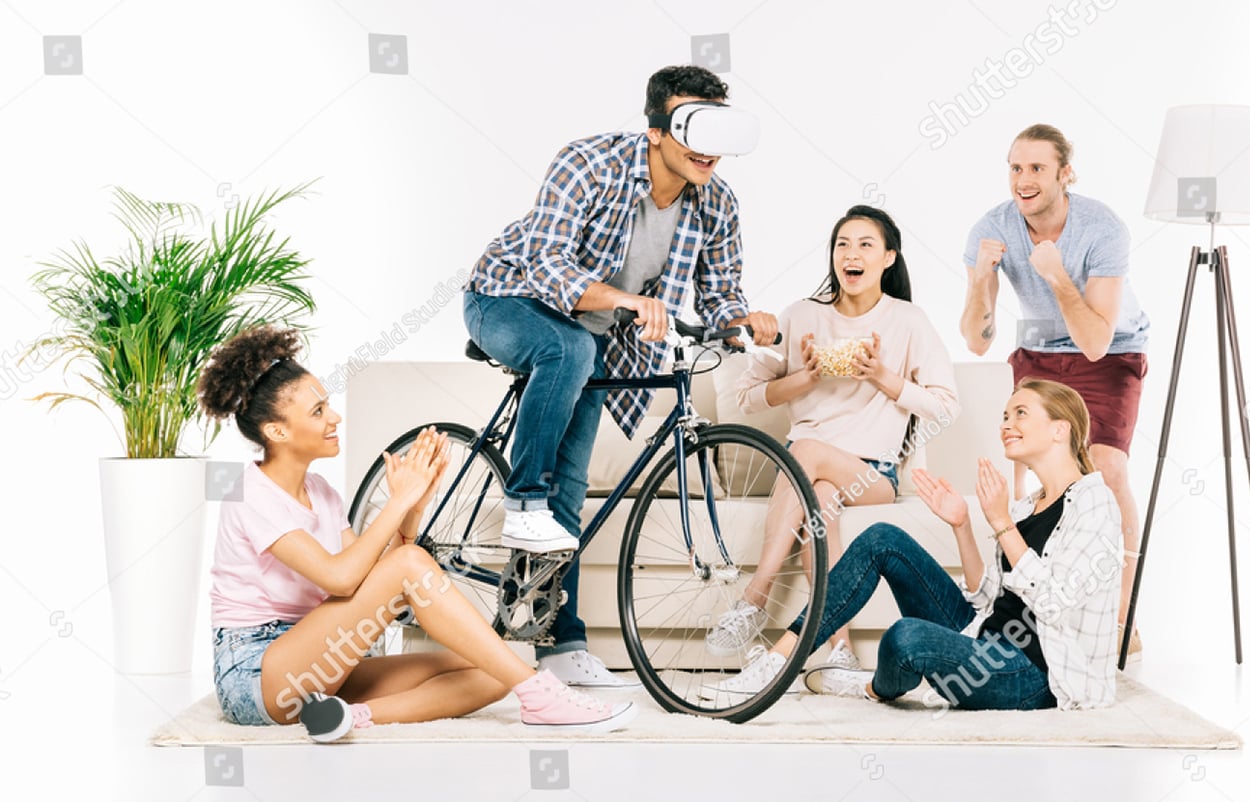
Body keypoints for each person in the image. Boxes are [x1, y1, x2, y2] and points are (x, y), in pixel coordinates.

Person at [463, 64, 777, 687]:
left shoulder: (716, 201)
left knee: (572, 489)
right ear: (658, 129)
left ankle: (561, 644)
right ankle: (521, 499)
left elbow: (718, 297)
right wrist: (628, 302)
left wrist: (746, 319)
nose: (709, 149)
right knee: (572, 350)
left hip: (588, 334)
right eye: (693, 127)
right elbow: (547, 265)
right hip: (505, 299)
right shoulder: (587, 165)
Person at [200, 327, 635, 741]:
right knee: (419, 578)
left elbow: (379, 582)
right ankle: (544, 698)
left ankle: (346, 718)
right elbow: (341, 579)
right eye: (317, 412)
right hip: (259, 677)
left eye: (328, 404)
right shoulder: (249, 493)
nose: (333, 417)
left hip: (322, 661)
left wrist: (414, 505)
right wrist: (397, 502)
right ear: (276, 431)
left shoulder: (322, 493)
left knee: (492, 670)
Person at [708, 380, 1122, 711]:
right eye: (1004, 415)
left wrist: (998, 523)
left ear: (1059, 429)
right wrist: (962, 525)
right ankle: (777, 664)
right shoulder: (1028, 505)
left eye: (1020, 413)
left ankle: (871, 688)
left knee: (905, 638)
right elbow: (988, 601)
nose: (1005, 423)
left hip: (1030, 674)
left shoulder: (1095, 503)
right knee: (882, 538)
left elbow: (1054, 602)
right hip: (984, 639)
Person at [705, 205, 959, 686]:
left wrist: (883, 377)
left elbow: (946, 408)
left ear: (888, 258)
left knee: (804, 450)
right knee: (818, 496)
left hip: (872, 476)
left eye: (866, 244)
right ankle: (839, 649)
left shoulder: (908, 321)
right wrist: (805, 377)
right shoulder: (802, 315)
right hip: (810, 475)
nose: (851, 254)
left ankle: (755, 597)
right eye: (843, 244)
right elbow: (749, 396)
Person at [958, 123, 1149, 658]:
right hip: (1039, 352)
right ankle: (1027, 609)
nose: (1023, 180)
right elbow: (976, 340)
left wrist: (1058, 274)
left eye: (1037, 168)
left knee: (1105, 472)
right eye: (1015, 168)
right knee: (1026, 470)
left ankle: (1120, 618)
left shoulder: (1102, 228)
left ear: (1066, 174)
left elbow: (1093, 342)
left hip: (1110, 351)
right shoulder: (991, 229)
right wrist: (981, 281)